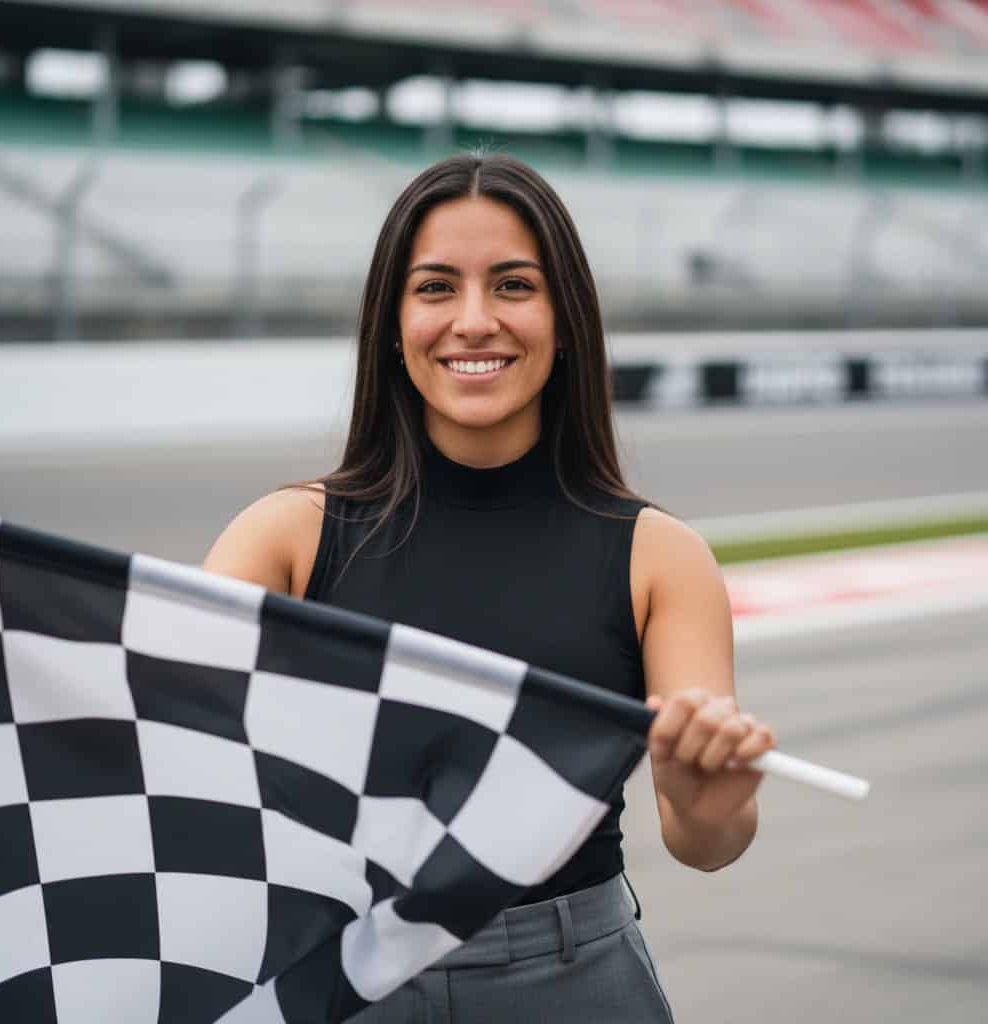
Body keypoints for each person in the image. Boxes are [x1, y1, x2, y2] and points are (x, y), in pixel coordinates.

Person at [204, 152, 777, 1022]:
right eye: (435, 288)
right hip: (335, 972)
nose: (474, 321)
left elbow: (705, 844)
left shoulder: (662, 558)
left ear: (565, 318)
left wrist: (708, 802)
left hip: (574, 980)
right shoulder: (283, 536)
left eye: (513, 286)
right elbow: (180, 776)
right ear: (393, 323)